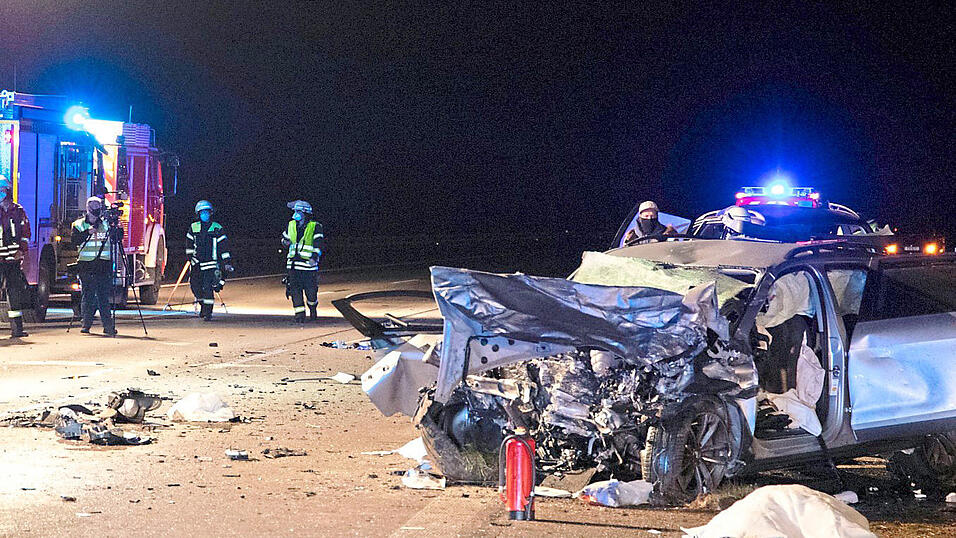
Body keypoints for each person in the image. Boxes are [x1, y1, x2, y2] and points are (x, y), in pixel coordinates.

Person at [71, 196, 121, 336]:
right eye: (93, 205)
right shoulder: (79, 224)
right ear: (88, 208)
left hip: (103, 264)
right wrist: (87, 232)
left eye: (98, 205)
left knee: (103, 296)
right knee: (87, 295)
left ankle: (108, 326)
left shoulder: (106, 224)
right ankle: (86, 324)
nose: (96, 208)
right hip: (86, 265)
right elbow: (74, 241)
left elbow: (117, 239)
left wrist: (117, 228)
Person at [185, 200, 233, 321]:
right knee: (195, 286)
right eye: (202, 212)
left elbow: (224, 247)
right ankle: (203, 307)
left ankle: (208, 312)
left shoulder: (217, 228)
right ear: (198, 214)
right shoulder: (193, 227)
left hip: (211, 264)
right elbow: (189, 245)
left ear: (210, 213)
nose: (205, 214)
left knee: (207, 288)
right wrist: (190, 258)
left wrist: (226, 262)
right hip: (197, 264)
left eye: (207, 212)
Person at [281, 200, 324, 323]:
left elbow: (318, 243)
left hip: (308, 267)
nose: (295, 213)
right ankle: (299, 315)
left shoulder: (315, 226)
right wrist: (285, 242)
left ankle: (313, 308)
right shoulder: (291, 225)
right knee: (295, 290)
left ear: (305, 213)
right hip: (293, 266)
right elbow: (284, 239)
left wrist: (314, 258)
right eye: (295, 211)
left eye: (298, 211)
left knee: (311, 292)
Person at [0, 176, 31, 338]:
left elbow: (25, 233)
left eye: (2, 190)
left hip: (12, 259)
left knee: (14, 294)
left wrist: (21, 251)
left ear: (7, 191)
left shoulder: (18, 211)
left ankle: (17, 329)